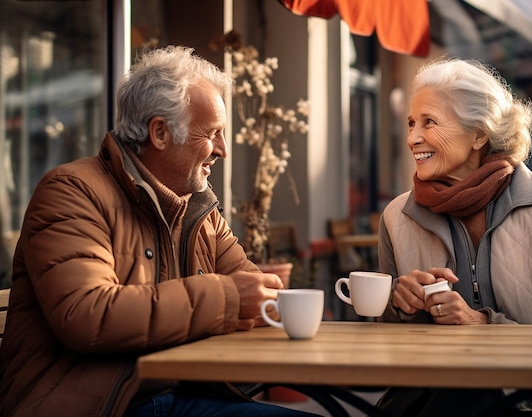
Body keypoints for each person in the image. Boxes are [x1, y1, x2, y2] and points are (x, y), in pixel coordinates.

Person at [0, 45, 320, 417]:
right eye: (212, 133)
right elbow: (87, 314)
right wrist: (227, 299)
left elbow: (254, 290)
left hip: (181, 398)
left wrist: (253, 298)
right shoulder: (71, 191)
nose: (223, 150)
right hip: (101, 406)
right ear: (160, 132)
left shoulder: (198, 207)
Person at [376, 58, 532, 417]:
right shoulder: (396, 217)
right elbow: (385, 349)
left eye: (429, 122)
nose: (412, 138)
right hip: (429, 399)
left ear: (479, 135)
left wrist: (483, 324)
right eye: (410, 123)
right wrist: (400, 306)